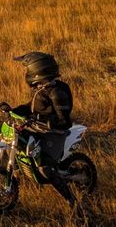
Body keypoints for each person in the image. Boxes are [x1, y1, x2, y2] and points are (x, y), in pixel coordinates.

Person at [7, 51, 76, 206]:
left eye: (29, 70)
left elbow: (63, 120)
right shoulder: (42, 89)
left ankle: (73, 204)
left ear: (38, 71)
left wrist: (46, 122)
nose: (27, 73)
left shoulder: (56, 93)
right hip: (38, 130)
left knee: (45, 169)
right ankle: (15, 182)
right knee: (17, 144)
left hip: (52, 134)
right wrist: (16, 110)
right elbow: (32, 107)